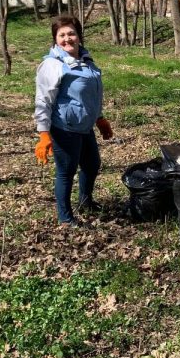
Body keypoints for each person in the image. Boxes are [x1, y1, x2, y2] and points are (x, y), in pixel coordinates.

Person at [34, 15, 114, 227]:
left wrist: (100, 119)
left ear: (79, 36)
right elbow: (43, 101)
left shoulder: (87, 61)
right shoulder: (52, 65)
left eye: (71, 33)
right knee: (66, 172)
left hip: (84, 126)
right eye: (61, 35)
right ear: (55, 39)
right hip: (64, 127)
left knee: (92, 164)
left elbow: (92, 95)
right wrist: (44, 133)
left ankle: (86, 202)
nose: (67, 39)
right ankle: (65, 217)